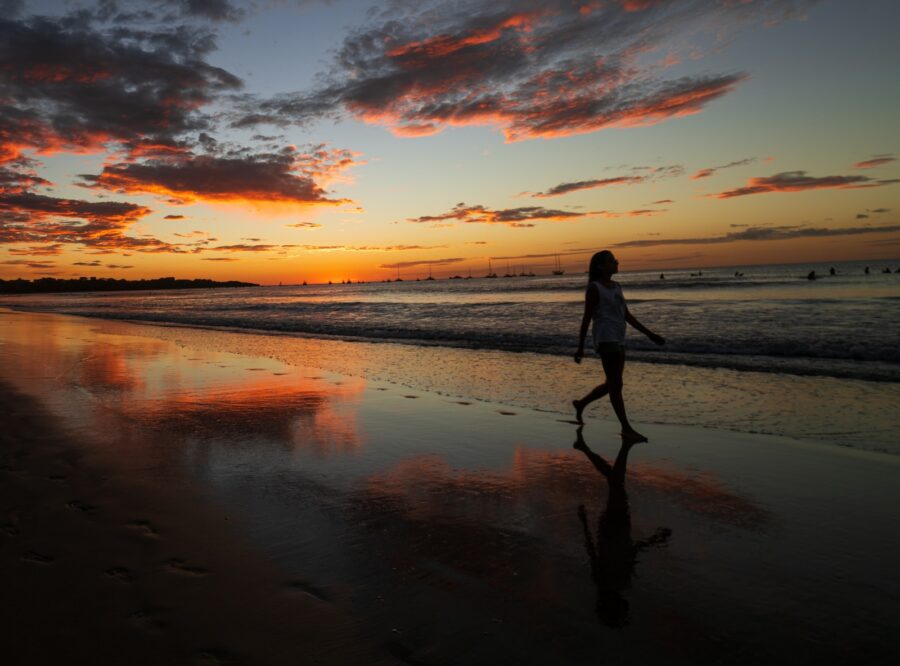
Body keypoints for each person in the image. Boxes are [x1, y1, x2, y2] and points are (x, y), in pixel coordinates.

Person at [573, 251, 665, 441]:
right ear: (601, 267)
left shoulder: (617, 287)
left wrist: (650, 334)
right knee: (616, 385)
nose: (616, 262)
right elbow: (586, 318)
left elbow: (627, 315)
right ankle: (626, 428)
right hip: (606, 339)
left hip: (619, 338)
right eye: (611, 261)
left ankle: (581, 404)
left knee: (612, 384)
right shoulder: (594, 288)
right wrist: (580, 347)